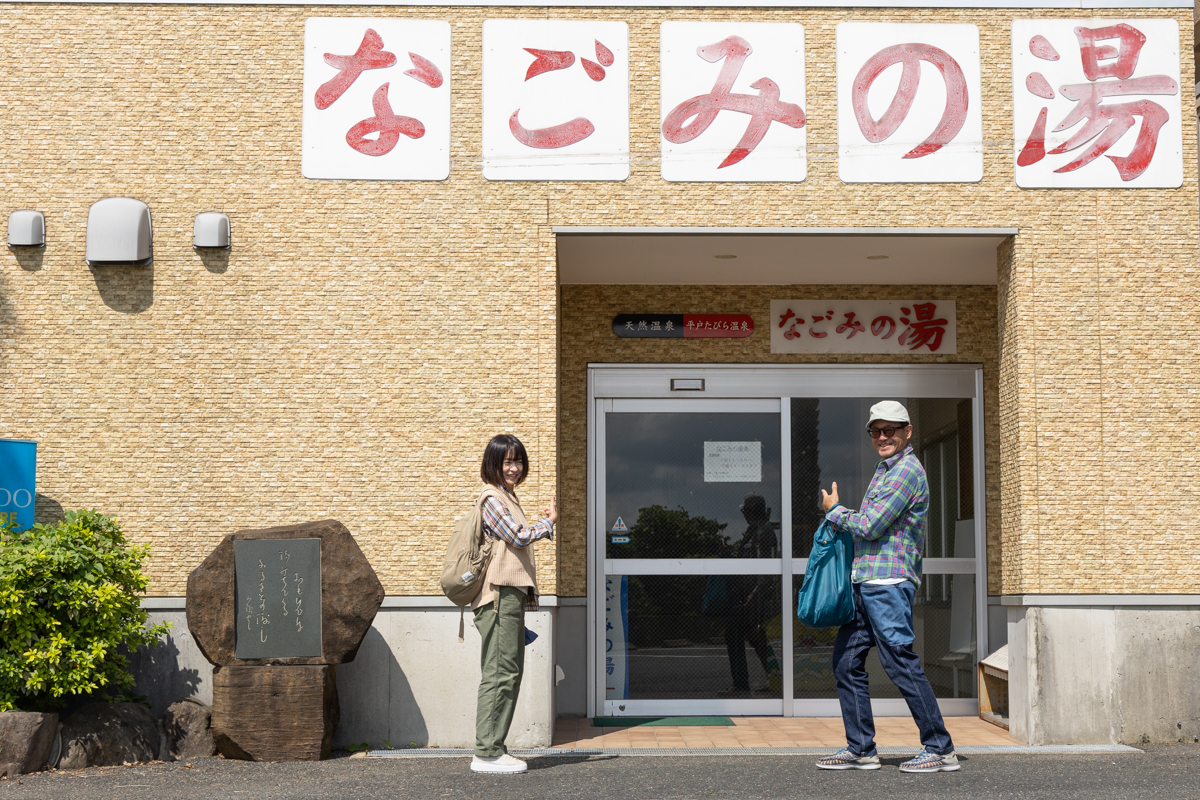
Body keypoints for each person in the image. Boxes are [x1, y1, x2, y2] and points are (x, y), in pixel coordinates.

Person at [815, 401, 959, 773]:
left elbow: (871, 525)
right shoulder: (885, 470)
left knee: (899, 663)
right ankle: (861, 748)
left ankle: (940, 749)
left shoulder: (906, 472)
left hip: (888, 585)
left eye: (890, 429)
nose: (883, 436)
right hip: (867, 583)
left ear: (907, 431)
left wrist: (834, 511)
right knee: (846, 663)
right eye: (876, 430)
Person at [470, 434, 557, 775]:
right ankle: (488, 752)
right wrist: (547, 524)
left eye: (518, 461)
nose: (514, 467)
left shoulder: (508, 497)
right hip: (499, 596)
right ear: (493, 464)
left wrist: (543, 523)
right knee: (500, 672)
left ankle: (493, 748)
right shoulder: (492, 498)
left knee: (508, 671)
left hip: (509, 597)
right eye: (507, 461)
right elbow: (518, 536)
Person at [721, 492, 782, 695]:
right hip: (748, 595)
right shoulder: (753, 531)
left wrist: (755, 594)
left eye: (745, 510)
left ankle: (741, 684)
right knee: (755, 637)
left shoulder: (763, 533)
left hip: (756, 597)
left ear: (749, 511)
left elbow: (765, 569)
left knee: (738, 634)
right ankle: (775, 678)